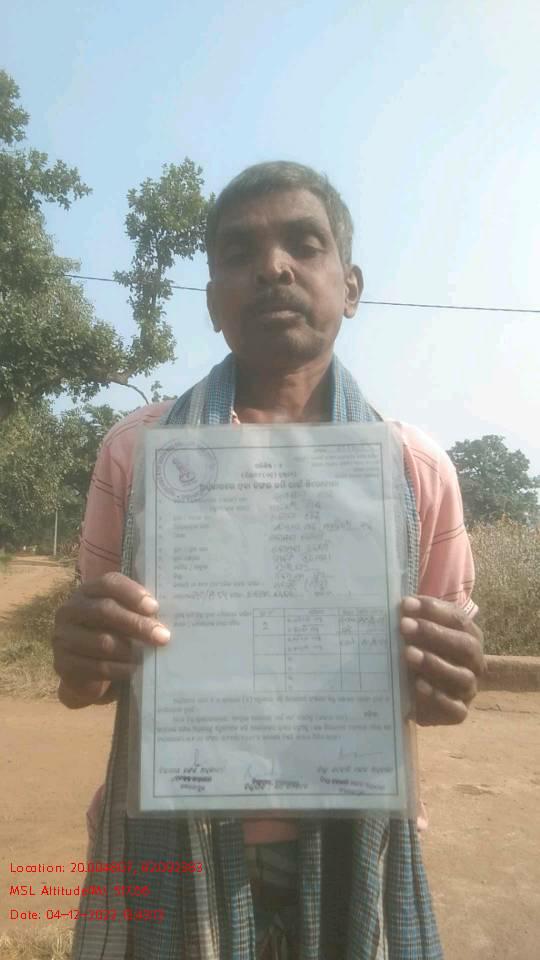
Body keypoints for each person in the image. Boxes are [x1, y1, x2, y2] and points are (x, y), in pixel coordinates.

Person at [53, 161, 485, 960]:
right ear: (214, 299)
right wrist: (82, 658)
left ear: (350, 287)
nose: (272, 268)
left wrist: (448, 679)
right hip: (169, 843)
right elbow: (96, 677)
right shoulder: (138, 453)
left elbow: (436, 693)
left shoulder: (414, 470)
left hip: (356, 843)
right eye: (238, 253)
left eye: (304, 245)